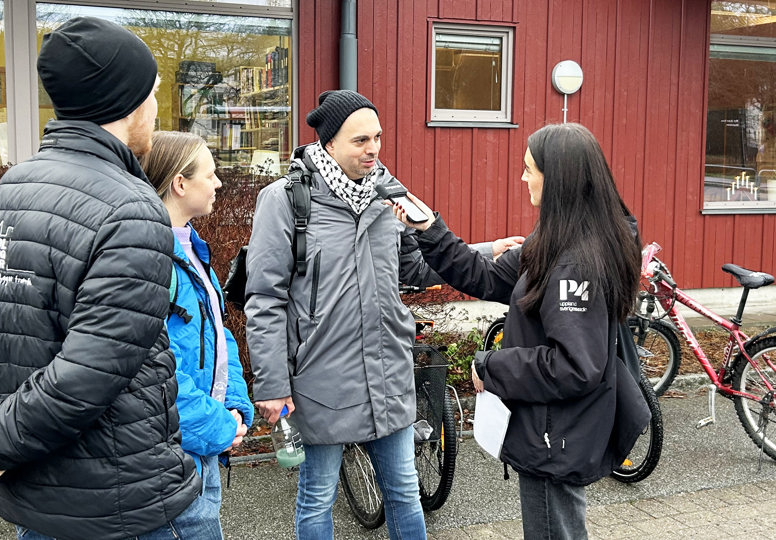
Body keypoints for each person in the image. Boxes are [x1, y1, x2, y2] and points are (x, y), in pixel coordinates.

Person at [0, 17, 206, 540]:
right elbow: (89, 375)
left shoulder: (2, 194)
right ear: (127, 101)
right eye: (153, 94)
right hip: (124, 508)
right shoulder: (132, 209)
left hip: (34, 503)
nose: (157, 110)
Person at [244, 89, 523, 540]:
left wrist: (485, 251)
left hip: (387, 371)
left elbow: (414, 266)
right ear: (328, 143)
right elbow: (265, 298)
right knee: (317, 497)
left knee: (404, 491)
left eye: (377, 137)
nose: (373, 148)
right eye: (360, 140)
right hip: (320, 377)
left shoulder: (389, 195)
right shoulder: (286, 200)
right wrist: (273, 386)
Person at [391, 122, 651, 539]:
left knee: (554, 529)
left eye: (530, 169)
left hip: (557, 431)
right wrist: (429, 231)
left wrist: (490, 366)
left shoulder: (575, 262)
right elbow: (486, 277)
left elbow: (573, 366)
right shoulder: (557, 240)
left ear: (558, 179)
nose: (523, 177)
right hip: (554, 425)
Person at [140, 130, 255, 537]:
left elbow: (217, 334)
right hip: (176, 457)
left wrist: (237, 406)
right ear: (180, 183)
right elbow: (150, 368)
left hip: (202, 444)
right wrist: (219, 427)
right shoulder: (150, 259)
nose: (219, 183)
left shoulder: (192, 249)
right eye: (210, 174)